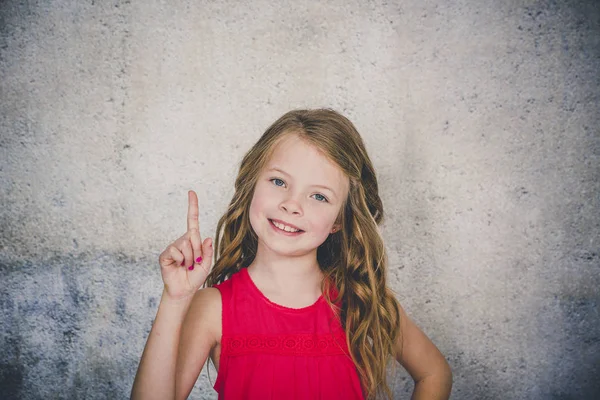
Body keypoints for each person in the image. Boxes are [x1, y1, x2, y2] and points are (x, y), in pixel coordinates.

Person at [131, 109, 452, 400]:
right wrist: (174, 300)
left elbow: (434, 373)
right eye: (278, 181)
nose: (292, 204)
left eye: (318, 196)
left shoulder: (362, 300)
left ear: (340, 219)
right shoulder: (213, 309)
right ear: (251, 184)